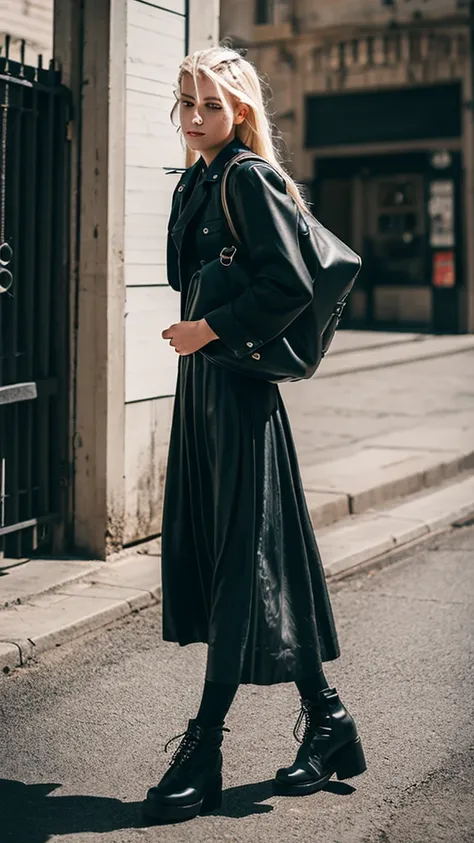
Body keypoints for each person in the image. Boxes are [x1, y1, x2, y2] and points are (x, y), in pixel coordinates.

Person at [142, 45, 366, 825]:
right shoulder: (198, 180)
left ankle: (204, 746)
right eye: (184, 103)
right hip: (204, 390)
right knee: (252, 554)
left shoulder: (247, 176)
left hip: (237, 390)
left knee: (243, 560)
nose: (193, 117)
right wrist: (201, 335)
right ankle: (330, 720)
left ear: (237, 110)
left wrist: (210, 329)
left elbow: (290, 283)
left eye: (207, 104)